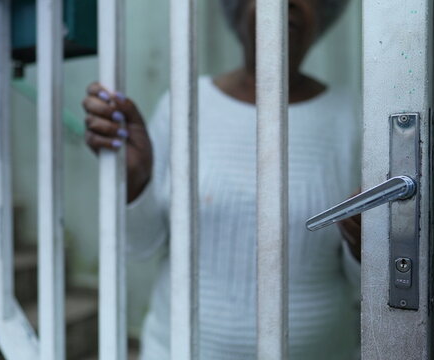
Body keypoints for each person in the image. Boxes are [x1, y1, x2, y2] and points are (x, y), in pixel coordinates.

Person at [82, 0, 361, 358]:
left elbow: (366, 281)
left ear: (324, 15)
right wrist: (136, 181)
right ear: (237, 9)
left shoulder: (350, 116)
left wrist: (360, 244)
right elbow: (140, 246)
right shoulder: (185, 104)